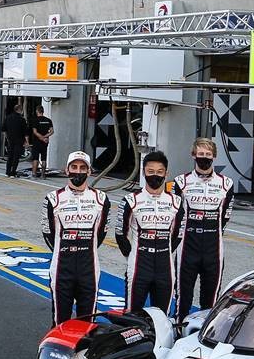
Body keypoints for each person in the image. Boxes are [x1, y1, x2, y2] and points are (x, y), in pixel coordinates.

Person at [42, 151, 110, 325]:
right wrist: (65, 250)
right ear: (66, 170)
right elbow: (48, 233)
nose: (77, 171)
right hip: (61, 268)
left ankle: (82, 352)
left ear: (89, 172)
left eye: (82, 168)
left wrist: (84, 248)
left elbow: (101, 233)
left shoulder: (101, 199)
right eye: (74, 167)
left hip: (89, 268)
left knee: (86, 323)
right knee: (60, 321)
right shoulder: (52, 198)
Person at [173, 137, 234, 321]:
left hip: (213, 248)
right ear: (193, 155)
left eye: (208, 154)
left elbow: (225, 217)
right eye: (200, 154)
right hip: (187, 247)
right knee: (183, 297)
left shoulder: (226, 183)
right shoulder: (181, 182)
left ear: (214, 156)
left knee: (210, 299)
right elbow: (176, 215)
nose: (204, 157)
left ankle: (203, 334)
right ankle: (178, 329)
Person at [116, 152, 181, 312]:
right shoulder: (130, 200)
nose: (155, 175)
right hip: (139, 265)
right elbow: (120, 234)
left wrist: (164, 251)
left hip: (165, 267)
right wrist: (131, 254)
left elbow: (178, 233)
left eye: (159, 172)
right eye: (150, 171)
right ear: (143, 172)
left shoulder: (176, 202)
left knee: (162, 317)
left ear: (166, 173)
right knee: (131, 314)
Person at [3, 102, 28, 177]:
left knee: (10, 156)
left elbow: (4, 130)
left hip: (10, 140)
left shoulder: (8, 118)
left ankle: (7, 172)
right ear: (19, 110)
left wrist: (7, 138)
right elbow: (25, 132)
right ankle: (13, 172)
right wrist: (27, 141)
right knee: (16, 157)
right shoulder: (22, 120)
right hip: (19, 140)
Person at [30, 104, 53, 178]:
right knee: (44, 158)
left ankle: (34, 173)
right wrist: (45, 137)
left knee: (35, 158)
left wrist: (42, 138)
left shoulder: (35, 120)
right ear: (43, 111)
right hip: (45, 142)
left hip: (37, 142)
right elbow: (52, 131)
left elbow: (35, 132)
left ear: (37, 111)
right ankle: (43, 174)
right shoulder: (48, 120)